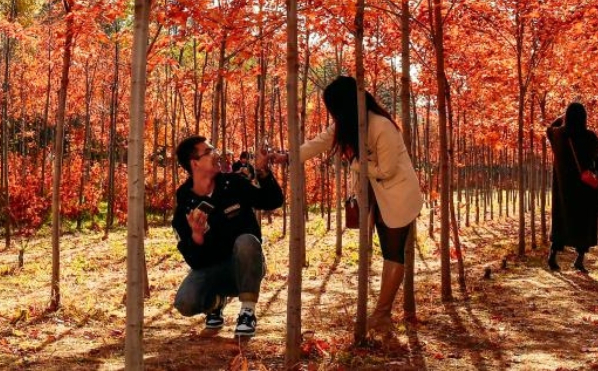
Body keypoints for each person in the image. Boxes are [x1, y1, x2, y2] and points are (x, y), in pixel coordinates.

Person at [301, 76, 423, 336]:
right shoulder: (348, 125)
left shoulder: (381, 126)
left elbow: (388, 170)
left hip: (398, 194)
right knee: (387, 253)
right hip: (376, 195)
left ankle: (381, 315)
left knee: (393, 253)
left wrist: (355, 163)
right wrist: (287, 156)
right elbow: (318, 143)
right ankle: (381, 314)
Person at [172, 136, 284, 337]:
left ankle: (247, 312)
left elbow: (272, 200)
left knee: (246, 241)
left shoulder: (233, 183)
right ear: (194, 163)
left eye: (214, 149)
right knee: (185, 302)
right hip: (212, 269)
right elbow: (193, 259)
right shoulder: (185, 202)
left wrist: (262, 170)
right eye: (209, 152)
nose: (217, 154)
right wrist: (197, 235)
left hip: (246, 265)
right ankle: (215, 302)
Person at [546, 102, 598, 273]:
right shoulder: (590, 136)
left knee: (561, 219)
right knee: (583, 222)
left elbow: (549, 128)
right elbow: (596, 152)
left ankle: (553, 256)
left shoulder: (558, 135)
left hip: (563, 189)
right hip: (584, 189)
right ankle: (579, 259)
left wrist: (562, 118)